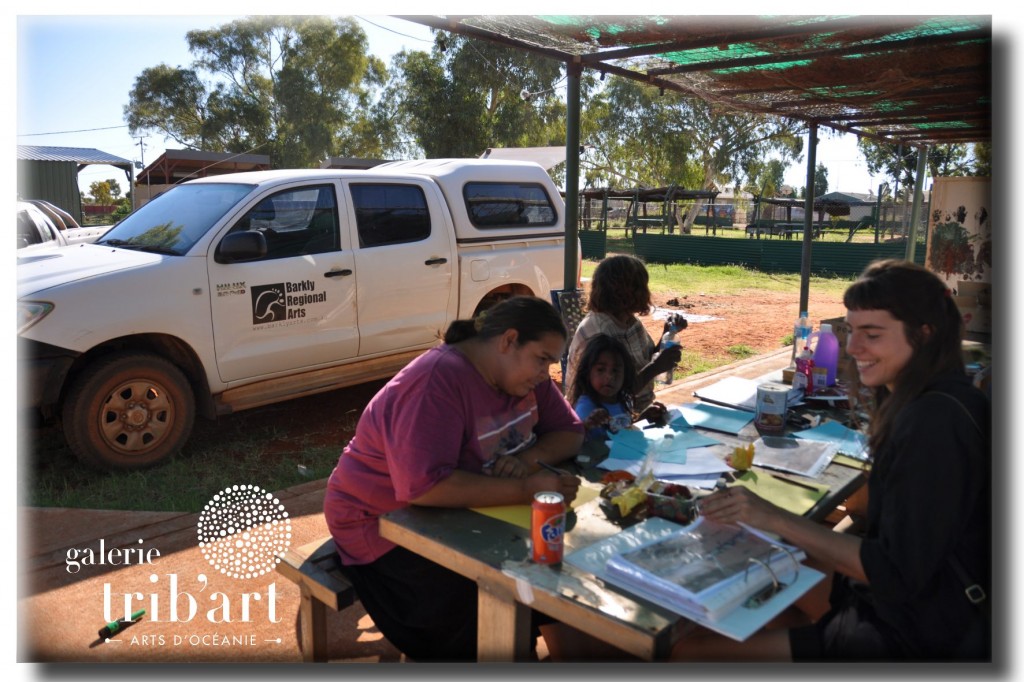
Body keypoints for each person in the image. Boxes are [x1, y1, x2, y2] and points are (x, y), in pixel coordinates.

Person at [672, 259, 990, 661]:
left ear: (923, 335)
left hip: (915, 632)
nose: (853, 347)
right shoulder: (942, 396)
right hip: (923, 601)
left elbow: (893, 574)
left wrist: (772, 517)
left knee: (687, 652)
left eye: (871, 335)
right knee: (773, 567)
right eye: (852, 331)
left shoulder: (932, 424)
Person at [322, 295, 583, 662]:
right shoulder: (438, 380)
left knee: (556, 581)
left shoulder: (525, 376)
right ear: (508, 341)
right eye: (543, 359)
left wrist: (528, 460)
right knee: (487, 623)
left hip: (457, 515)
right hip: (379, 525)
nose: (547, 374)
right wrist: (525, 489)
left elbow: (571, 431)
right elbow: (424, 487)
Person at [564, 254, 686, 418]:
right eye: (642, 286)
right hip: (601, 420)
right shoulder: (600, 331)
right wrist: (656, 367)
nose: (647, 293)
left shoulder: (629, 321)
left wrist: (667, 334)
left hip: (632, 411)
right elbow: (611, 392)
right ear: (627, 291)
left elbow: (645, 359)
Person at [567, 333, 668, 440]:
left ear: (625, 374)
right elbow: (575, 442)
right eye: (601, 370)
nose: (609, 377)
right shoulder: (586, 407)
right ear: (587, 372)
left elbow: (621, 431)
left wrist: (644, 417)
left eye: (615, 370)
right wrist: (587, 425)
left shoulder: (623, 399)